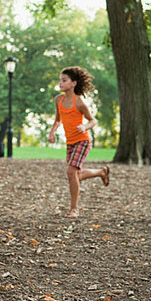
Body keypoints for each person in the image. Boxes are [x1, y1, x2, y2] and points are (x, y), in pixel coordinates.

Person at [48, 66, 110, 218]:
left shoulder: (79, 102)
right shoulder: (58, 100)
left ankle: (74, 209)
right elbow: (58, 120)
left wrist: (85, 126)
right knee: (76, 175)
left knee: (71, 172)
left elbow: (93, 120)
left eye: (64, 80)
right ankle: (101, 172)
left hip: (83, 141)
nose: (60, 83)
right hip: (70, 142)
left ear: (73, 83)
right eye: (60, 80)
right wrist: (52, 132)